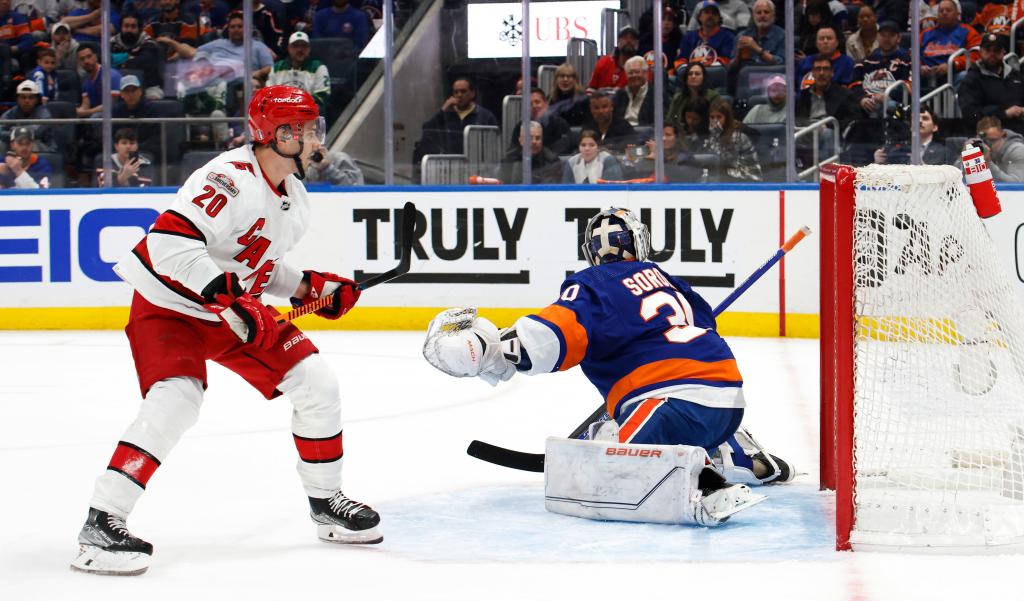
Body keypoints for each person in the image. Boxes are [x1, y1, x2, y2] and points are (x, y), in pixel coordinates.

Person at [70, 85, 381, 577]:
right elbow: (170, 245)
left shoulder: (294, 196)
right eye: (299, 129)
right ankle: (101, 523)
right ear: (273, 135)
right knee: (176, 400)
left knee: (317, 384)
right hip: (168, 305)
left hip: (231, 310)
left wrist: (307, 287)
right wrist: (228, 297)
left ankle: (326, 505)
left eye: (309, 127)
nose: (311, 137)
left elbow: (256, 264)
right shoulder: (228, 178)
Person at [422, 208, 792, 526]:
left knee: (608, 461)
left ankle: (707, 482)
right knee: (663, 424)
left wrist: (486, 350)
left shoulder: (593, 283)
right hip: (727, 398)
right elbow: (706, 330)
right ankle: (748, 457)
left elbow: (547, 339)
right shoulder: (672, 282)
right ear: (639, 242)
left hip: (668, 402)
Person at [412, 77, 498, 169]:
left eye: (463, 91)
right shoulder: (446, 114)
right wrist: (443, 110)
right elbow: (427, 130)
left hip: (476, 165)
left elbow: (493, 145)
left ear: (472, 93)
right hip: (450, 166)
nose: (459, 95)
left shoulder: (485, 116)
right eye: (456, 92)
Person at [959, 33, 1024, 136]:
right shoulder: (971, 79)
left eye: (996, 50)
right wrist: (1004, 113)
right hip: (981, 136)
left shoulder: (1016, 77)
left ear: (1004, 52)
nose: (992, 54)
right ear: (980, 51)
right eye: (988, 50)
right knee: (969, 150)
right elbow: (970, 115)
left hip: (1016, 136)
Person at [267, 31, 331, 114]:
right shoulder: (277, 68)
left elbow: (322, 96)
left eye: (304, 46)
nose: (300, 49)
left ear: (309, 49)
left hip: (309, 117)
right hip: (281, 117)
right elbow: (269, 95)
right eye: (295, 46)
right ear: (289, 48)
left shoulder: (318, 67)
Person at [920, 0, 980, 83]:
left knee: (965, 76)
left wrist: (953, 65)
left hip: (954, 74)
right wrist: (920, 66)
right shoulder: (925, 34)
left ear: (957, 14)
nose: (944, 13)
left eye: (948, 10)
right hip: (928, 76)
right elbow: (912, 55)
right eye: (941, 11)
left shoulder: (969, 32)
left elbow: (976, 56)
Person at [704, 98, 761, 181]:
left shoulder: (740, 138)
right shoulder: (709, 137)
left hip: (745, 181)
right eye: (712, 117)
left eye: (719, 117)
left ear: (727, 119)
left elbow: (729, 164)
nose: (715, 121)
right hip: (718, 181)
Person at [112, 12, 166, 100]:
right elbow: (108, 61)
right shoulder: (113, 43)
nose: (129, 30)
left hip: (148, 86)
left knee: (154, 99)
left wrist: (120, 61)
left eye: (133, 27)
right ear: (121, 28)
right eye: (126, 26)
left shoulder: (149, 43)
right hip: (119, 86)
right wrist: (129, 57)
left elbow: (144, 62)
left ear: (139, 29)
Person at [873, 107, 950, 165]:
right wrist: (878, 163)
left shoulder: (943, 151)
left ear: (935, 127)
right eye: (915, 118)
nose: (919, 121)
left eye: (925, 118)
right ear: (910, 126)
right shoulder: (899, 149)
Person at [675, 0, 736, 72]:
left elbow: (726, 61)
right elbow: (681, 60)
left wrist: (702, 67)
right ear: (699, 16)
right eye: (706, 12)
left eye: (714, 13)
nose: (710, 16)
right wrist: (686, 70)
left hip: (715, 74)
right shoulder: (689, 37)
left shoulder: (727, 37)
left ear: (719, 18)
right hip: (691, 74)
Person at [496, 120, 562, 184]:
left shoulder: (552, 161)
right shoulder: (509, 159)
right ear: (521, 140)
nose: (534, 142)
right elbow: (502, 187)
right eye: (530, 138)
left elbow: (551, 189)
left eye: (538, 138)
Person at [0, 80, 55, 152]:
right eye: (23, 97)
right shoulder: (12, 112)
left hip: (42, 146)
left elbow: (36, 133)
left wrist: (13, 129)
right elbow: (1, 132)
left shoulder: (44, 114)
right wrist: (19, 132)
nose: (27, 101)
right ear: (17, 99)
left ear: (37, 100)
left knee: (29, 145)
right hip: (17, 144)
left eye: (31, 97)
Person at [666, 62, 720, 129]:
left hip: (704, 134)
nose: (693, 76)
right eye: (690, 74)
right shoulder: (678, 98)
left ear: (703, 77)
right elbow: (668, 122)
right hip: (680, 134)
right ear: (686, 78)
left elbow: (716, 121)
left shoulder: (713, 97)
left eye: (697, 74)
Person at [587, 25, 639, 90]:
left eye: (632, 38)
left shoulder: (641, 66)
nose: (629, 41)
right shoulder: (604, 62)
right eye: (625, 38)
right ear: (618, 41)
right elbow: (591, 89)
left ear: (637, 43)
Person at [974, 115, 1024, 182]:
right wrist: (964, 157)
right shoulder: (977, 149)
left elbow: (1017, 184)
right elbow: (958, 179)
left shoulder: (1017, 150)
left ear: (1003, 135)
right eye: (984, 141)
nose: (988, 145)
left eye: (993, 140)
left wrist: (988, 163)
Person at [613, 56, 657, 128]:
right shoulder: (620, 94)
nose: (634, 75)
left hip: (646, 135)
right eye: (630, 73)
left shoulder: (656, 95)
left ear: (646, 73)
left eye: (637, 72)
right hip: (621, 135)